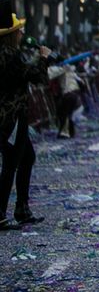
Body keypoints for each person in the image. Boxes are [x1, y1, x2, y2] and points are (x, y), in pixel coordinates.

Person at [0, 12, 47, 229]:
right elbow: (37, 77)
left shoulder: (9, 54)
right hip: (12, 117)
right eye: (18, 30)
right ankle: (2, 212)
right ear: (11, 34)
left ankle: (22, 208)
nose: (21, 33)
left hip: (11, 116)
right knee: (12, 163)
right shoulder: (10, 56)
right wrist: (43, 57)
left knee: (26, 158)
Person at [48, 55, 83, 139]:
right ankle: (70, 132)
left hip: (68, 94)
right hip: (75, 94)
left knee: (64, 114)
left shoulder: (60, 69)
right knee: (66, 113)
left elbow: (49, 74)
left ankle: (65, 133)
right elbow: (81, 81)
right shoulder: (71, 69)